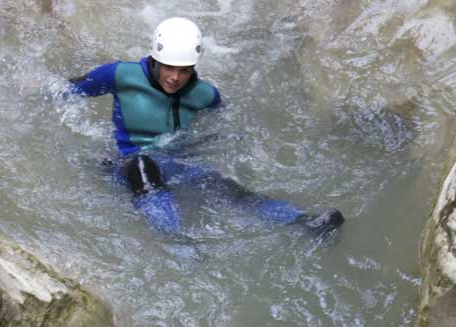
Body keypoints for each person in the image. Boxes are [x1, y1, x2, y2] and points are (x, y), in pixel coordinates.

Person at [65, 17, 342, 238]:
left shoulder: (206, 95)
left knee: (224, 185)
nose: (175, 78)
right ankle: (174, 239)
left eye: (184, 70)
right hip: (125, 163)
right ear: (156, 59)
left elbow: (226, 121)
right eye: (169, 68)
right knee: (142, 165)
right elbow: (67, 90)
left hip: (175, 162)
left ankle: (300, 221)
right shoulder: (119, 75)